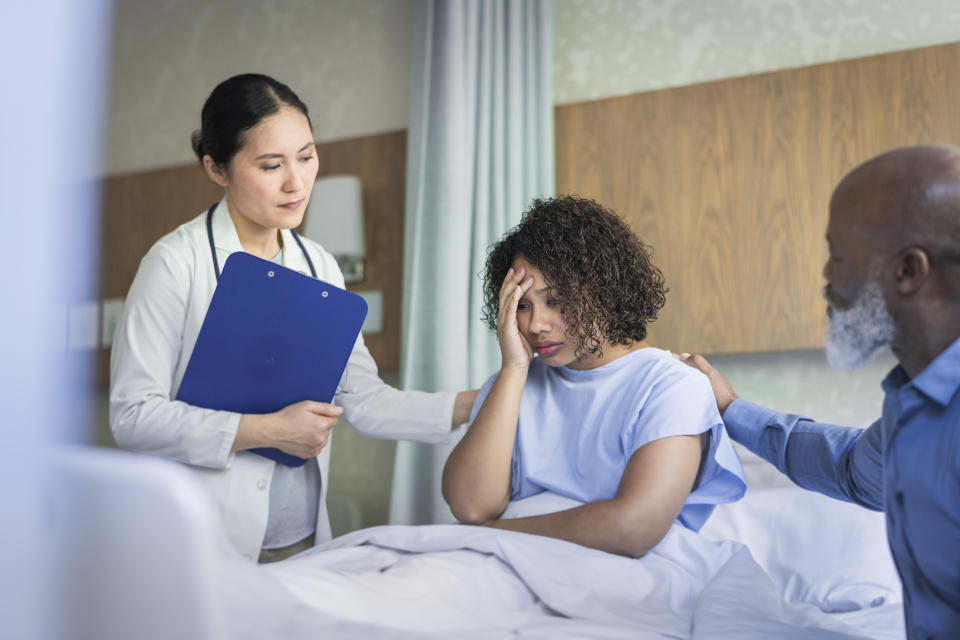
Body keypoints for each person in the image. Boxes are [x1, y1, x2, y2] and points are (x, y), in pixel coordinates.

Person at [110, 73, 478, 563]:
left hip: (302, 539)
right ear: (217, 169)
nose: (297, 182)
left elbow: (364, 400)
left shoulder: (319, 265)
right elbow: (133, 417)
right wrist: (268, 431)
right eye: (270, 165)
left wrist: (482, 403)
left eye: (306, 157)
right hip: (206, 541)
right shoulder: (177, 262)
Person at [677, 144, 960, 638]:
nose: (827, 277)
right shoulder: (914, 403)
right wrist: (732, 409)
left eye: (838, 256)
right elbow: (854, 469)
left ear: (908, 272)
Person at [442, 196, 745, 557]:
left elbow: (634, 527)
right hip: (504, 565)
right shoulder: (511, 385)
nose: (536, 324)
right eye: (522, 306)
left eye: (555, 300)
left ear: (604, 291)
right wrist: (513, 369)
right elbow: (471, 507)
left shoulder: (672, 386)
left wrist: (495, 533)